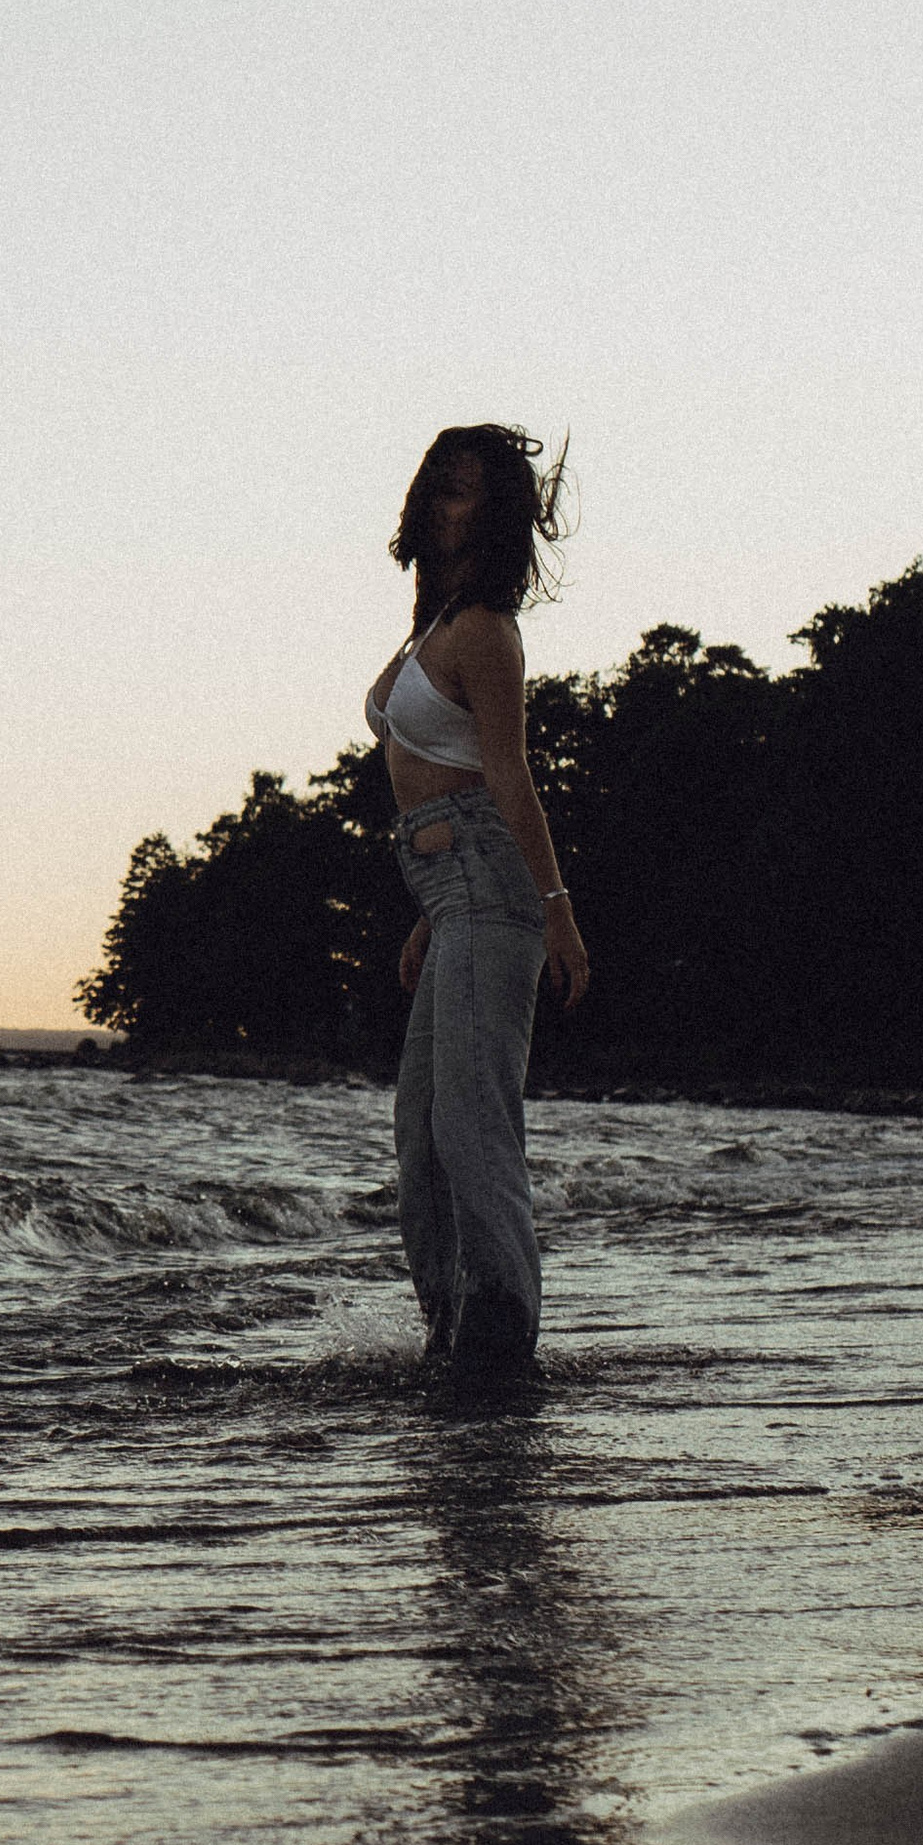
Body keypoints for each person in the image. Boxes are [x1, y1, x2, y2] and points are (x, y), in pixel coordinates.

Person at [363, 424, 590, 1377]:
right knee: (420, 1135)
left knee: (471, 1125)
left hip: (495, 893)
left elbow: (509, 779)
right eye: (442, 489)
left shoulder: (488, 633)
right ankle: (455, 1332)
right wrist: (431, 910)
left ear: (497, 516)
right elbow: (447, 777)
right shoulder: (435, 625)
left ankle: (502, 1338)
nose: (451, 508)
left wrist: (557, 909)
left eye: (472, 494)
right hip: (454, 894)